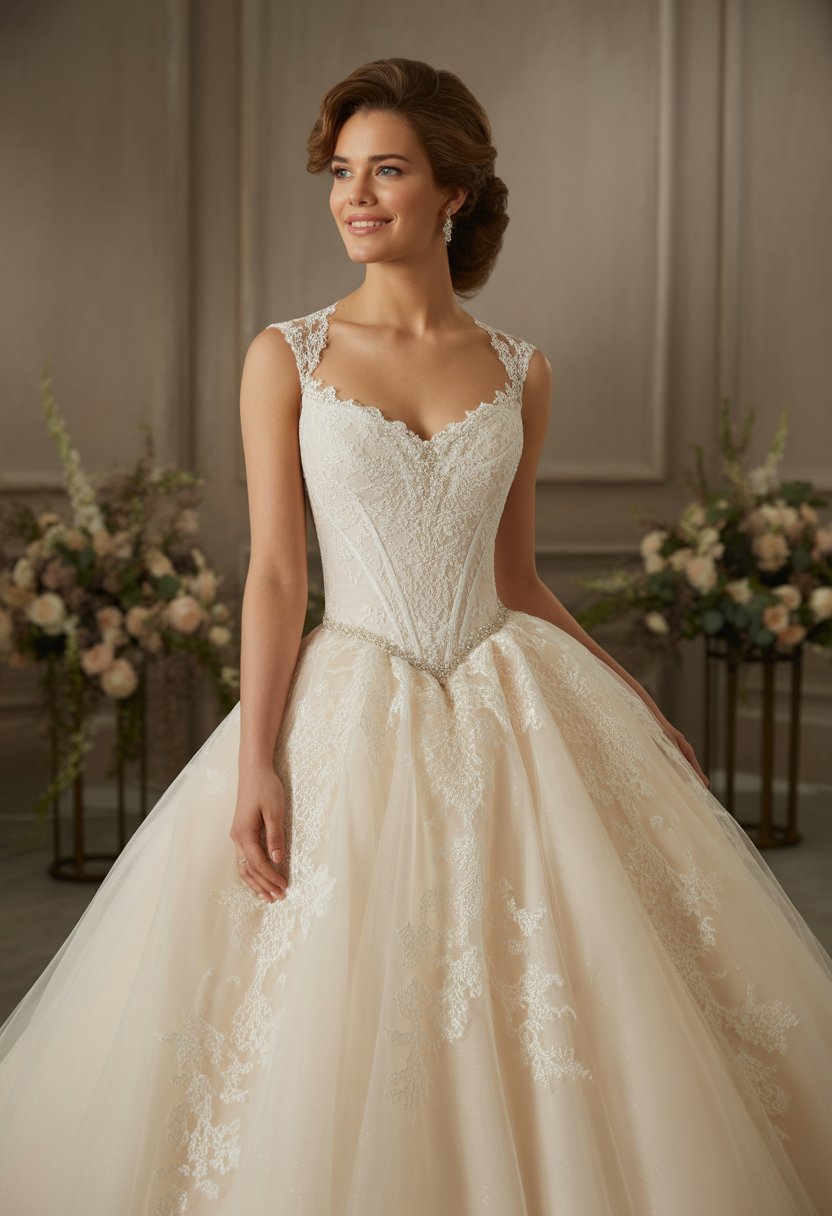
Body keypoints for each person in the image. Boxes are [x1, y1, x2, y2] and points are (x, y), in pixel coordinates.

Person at [1, 55, 831, 1216]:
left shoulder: (519, 369)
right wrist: (255, 761)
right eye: (341, 172)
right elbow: (280, 574)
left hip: (511, 688)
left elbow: (519, 576)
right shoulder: (283, 356)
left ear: (455, 190)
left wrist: (638, 709)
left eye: (387, 169)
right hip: (350, 692)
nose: (356, 195)